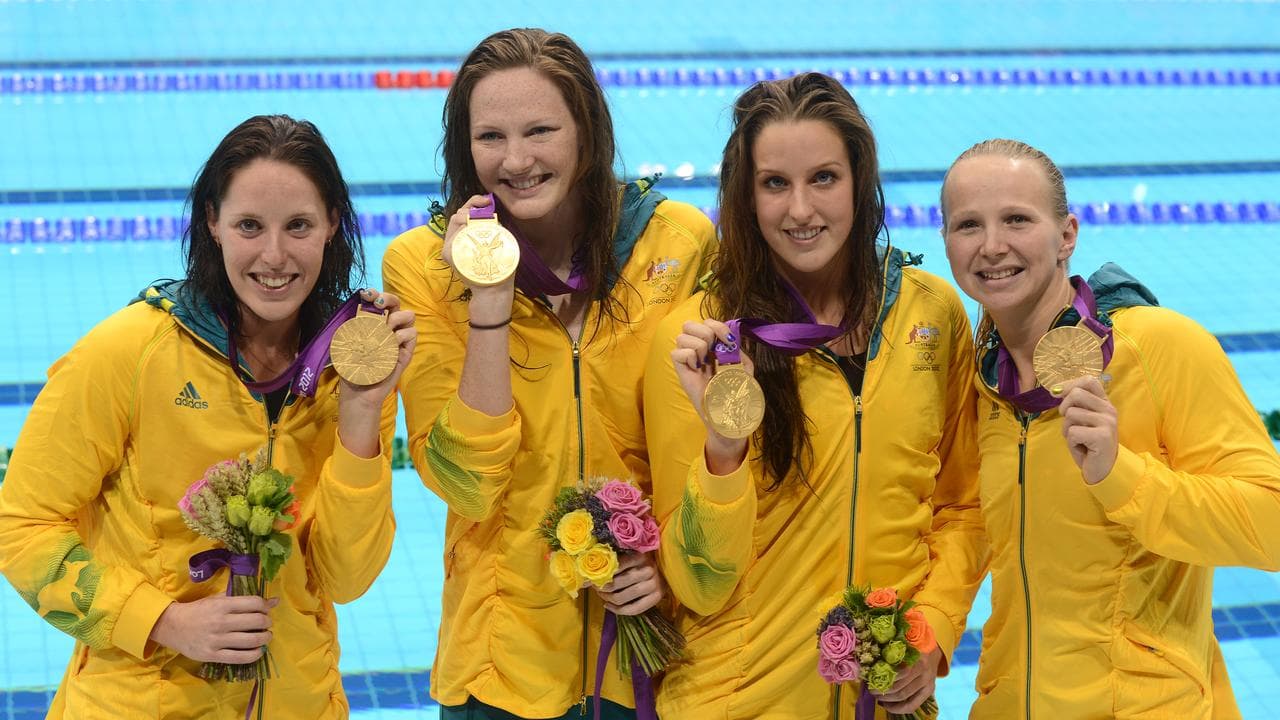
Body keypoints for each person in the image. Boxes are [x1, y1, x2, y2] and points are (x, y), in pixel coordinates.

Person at [0, 114, 414, 719]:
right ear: (212, 224)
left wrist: (360, 412)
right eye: (250, 225)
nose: (274, 256)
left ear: (331, 226)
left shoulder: (349, 366)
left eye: (298, 225)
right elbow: (22, 527)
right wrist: (162, 620)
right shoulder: (129, 352)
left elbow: (345, 578)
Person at [382, 28, 717, 719]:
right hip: (502, 663)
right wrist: (489, 299)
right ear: (462, 148)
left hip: (650, 646)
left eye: (541, 130)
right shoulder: (421, 265)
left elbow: (714, 446)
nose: (516, 161)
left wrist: (675, 570)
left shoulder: (678, 242)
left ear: (587, 134)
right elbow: (465, 483)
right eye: (490, 138)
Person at [644, 72, 985, 719]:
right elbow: (696, 583)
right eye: (775, 184)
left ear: (860, 180)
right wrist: (724, 447)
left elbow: (963, 504)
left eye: (823, 178)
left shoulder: (931, 313)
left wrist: (931, 628)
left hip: (883, 702)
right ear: (746, 197)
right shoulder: (699, 343)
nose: (800, 210)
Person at [939, 138, 1280, 718]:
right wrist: (930, 631)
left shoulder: (1162, 345)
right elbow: (969, 524)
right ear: (946, 242)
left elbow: (1271, 525)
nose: (992, 246)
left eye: (1017, 219)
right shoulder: (981, 379)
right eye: (968, 225)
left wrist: (1121, 476)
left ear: (1067, 233)